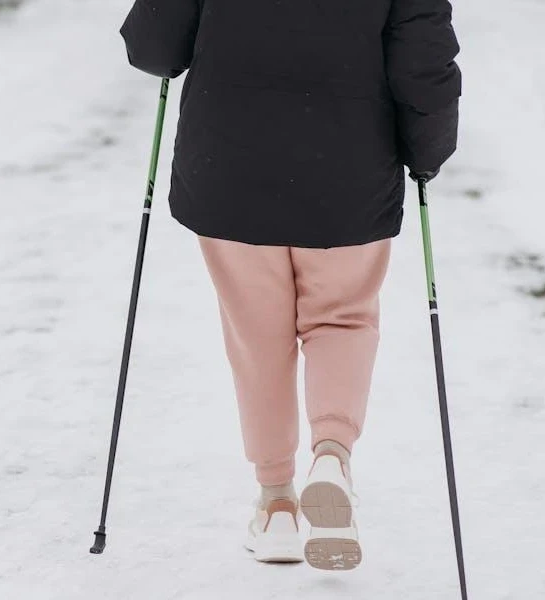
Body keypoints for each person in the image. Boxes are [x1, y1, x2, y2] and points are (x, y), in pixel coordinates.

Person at [120, 0, 461, 571]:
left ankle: (277, 504)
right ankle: (331, 455)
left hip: (230, 163)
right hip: (350, 168)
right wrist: (428, 151)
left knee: (257, 334)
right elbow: (425, 58)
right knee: (343, 317)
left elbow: (154, 46)